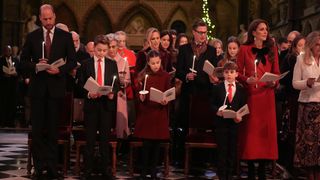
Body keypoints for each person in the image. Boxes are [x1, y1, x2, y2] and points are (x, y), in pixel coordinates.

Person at [19, 4, 76, 179]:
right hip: (37, 90)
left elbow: (72, 61)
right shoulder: (32, 36)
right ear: (40, 18)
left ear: (55, 17)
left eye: (50, 18)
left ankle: (52, 167)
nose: (48, 22)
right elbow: (22, 62)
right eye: (45, 19)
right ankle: (39, 167)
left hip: (56, 90)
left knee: (53, 130)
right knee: (37, 131)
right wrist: (36, 65)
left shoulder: (65, 36)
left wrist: (60, 70)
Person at [236, 19, 279, 180]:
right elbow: (238, 72)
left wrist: (274, 82)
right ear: (253, 32)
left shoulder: (272, 49)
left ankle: (262, 168)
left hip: (267, 96)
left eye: (266, 29)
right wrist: (247, 79)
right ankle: (251, 169)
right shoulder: (244, 49)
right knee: (252, 134)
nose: (265, 32)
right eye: (261, 29)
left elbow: (277, 72)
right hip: (252, 96)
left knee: (265, 134)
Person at [175, 18, 218, 166]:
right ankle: (182, 157)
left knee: (202, 125)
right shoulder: (184, 49)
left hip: (204, 93)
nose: (203, 36)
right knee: (184, 124)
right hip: (188, 93)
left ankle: (201, 159)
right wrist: (186, 75)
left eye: (205, 33)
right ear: (193, 32)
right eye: (200, 33)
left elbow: (214, 71)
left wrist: (213, 77)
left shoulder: (212, 51)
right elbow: (178, 71)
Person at [78, 34, 119, 179]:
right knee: (89, 141)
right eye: (99, 50)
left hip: (106, 106)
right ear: (94, 48)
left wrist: (112, 93)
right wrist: (89, 93)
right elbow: (80, 84)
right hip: (91, 107)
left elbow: (116, 84)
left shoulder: (112, 64)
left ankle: (105, 170)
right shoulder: (86, 64)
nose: (101, 53)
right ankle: (87, 170)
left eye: (104, 50)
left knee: (104, 141)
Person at [133, 50, 171, 179]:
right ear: (148, 63)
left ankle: (154, 170)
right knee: (146, 144)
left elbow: (168, 92)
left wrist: (166, 99)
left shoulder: (165, 76)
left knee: (156, 145)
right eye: (153, 63)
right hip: (147, 114)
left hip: (159, 113)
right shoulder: (143, 76)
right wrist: (141, 98)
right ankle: (144, 170)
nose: (156, 65)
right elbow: (138, 94)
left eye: (158, 62)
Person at [211, 61, 247, 180]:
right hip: (221, 125)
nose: (229, 75)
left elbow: (243, 106)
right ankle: (222, 176)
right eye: (226, 72)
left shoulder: (241, 89)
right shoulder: (218, 88)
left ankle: (230, 175)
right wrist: (218, 111)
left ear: (237, 74)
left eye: (232, 72)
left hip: (234, 125)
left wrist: (240, 116)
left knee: (232, 151)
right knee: (222, 151)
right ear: (223, 74)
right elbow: (212, 104)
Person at [292, 31, 320, 180]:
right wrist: (307, 83)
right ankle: (310, 174)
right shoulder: (301, 58)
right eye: (317, 45)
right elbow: (295, 83)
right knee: (309, 145)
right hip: (308, 106)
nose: (319, 48)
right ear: (310, 45)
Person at [279, 35, 305, 176]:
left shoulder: (309, 60)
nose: (303, 49)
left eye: (304, 46)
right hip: (293, 98)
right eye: (300, 46)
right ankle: (289, 166)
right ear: (295, 47)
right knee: (291, 132)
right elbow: (287, 80)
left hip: (304, 99)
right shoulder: (291, 59)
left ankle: (300, 164)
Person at [106, 33, 131, 138]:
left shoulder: (123, 61)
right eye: (109, 47)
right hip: (106, 96)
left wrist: (123, 81)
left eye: (113, 47)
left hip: (119, 96)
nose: (111, 50)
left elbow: (128, 80)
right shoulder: (104, 60)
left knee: (118, 124)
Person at [0, 45, 19, 127]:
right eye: (7, 50)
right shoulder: (0, 60)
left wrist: (16, 74)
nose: (8, 52)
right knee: (3, 103)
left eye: (10, 50)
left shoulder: (15, 60)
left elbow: (20, 70)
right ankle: (3, 122)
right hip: (3, 86)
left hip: (13, 85)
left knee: (12, 103)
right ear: (4, 51)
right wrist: (3, 75)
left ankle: (11, 122)